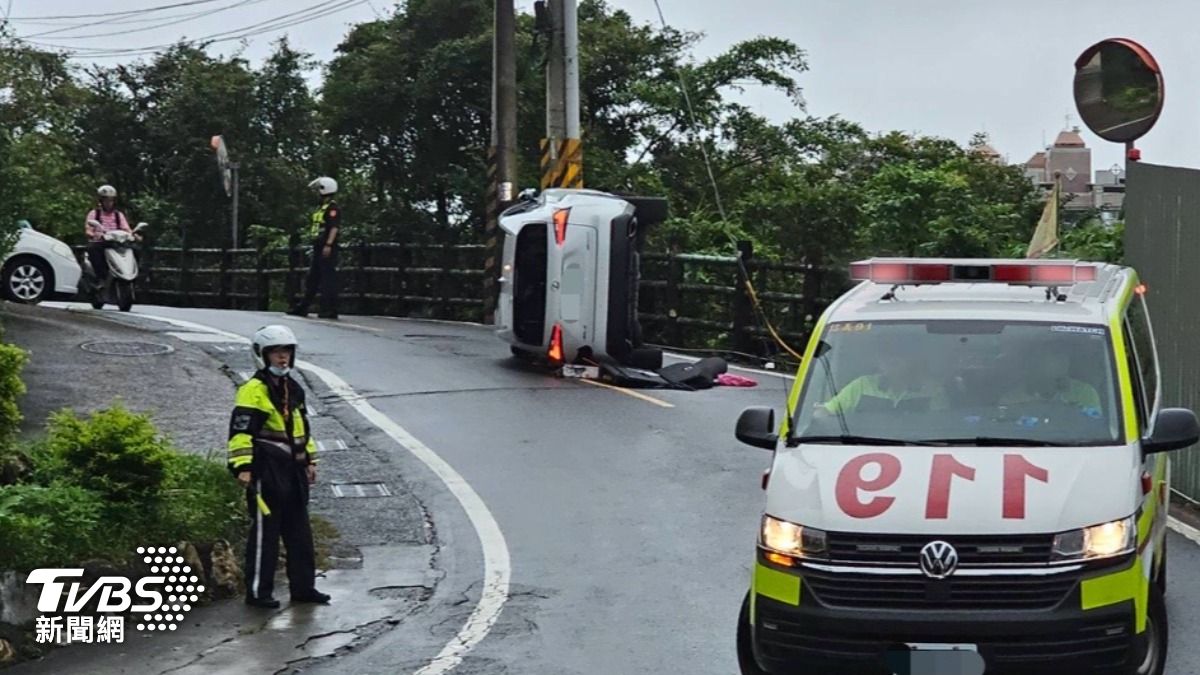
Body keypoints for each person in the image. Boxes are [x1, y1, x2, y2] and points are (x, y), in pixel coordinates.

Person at [227, 325, 330, 608]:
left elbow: (301, 429)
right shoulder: (253, 391)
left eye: (286, 352)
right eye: (276, 353)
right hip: (267, 470)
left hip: (293, 471)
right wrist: (242, 466)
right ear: (262, 356)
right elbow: (241, 431)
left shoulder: (293, 388)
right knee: (266, 535)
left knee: (300, 533)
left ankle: (304, 588)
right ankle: (259, 593)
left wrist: (310, 460)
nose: (282, 359)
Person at [816, 345, 949, 417]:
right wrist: (817, 417)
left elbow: (940, 425)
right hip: (860, 445)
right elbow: (826, 411)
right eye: (884, 356)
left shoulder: (931, 390)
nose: (889, 362)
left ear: (911, 361)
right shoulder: (863, 385)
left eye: (897, 357)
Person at [288, 177, 341, 319]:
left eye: (319, 189)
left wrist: (328, 245)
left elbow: (334, 227)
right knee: (313, 278)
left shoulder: (332, 208)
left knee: (327, 279)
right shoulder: (321, 206)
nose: (317, 192)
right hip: (318, 246)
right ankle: (304, 306)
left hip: (326, 247)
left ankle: (329, 309)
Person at [999, 345, 1102, 411]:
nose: (1063, 360)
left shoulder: (1085, 393)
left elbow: (1092, 425)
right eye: (1055, 356)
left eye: (1064, 356)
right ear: (1036, 362)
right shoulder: (1013, 399)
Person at [84, 185, 133, 280]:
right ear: (101, 201)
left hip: (118, 244)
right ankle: (102, 277)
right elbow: (88, 230)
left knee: (134, 250)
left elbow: (127, 229)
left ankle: (134, 276)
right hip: (101, 243)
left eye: (111, 200)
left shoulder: (118, 215)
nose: (109, 203)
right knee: (93, 249)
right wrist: (92, 234)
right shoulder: (94, 214)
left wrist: (133, 235)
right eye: (106, 200)